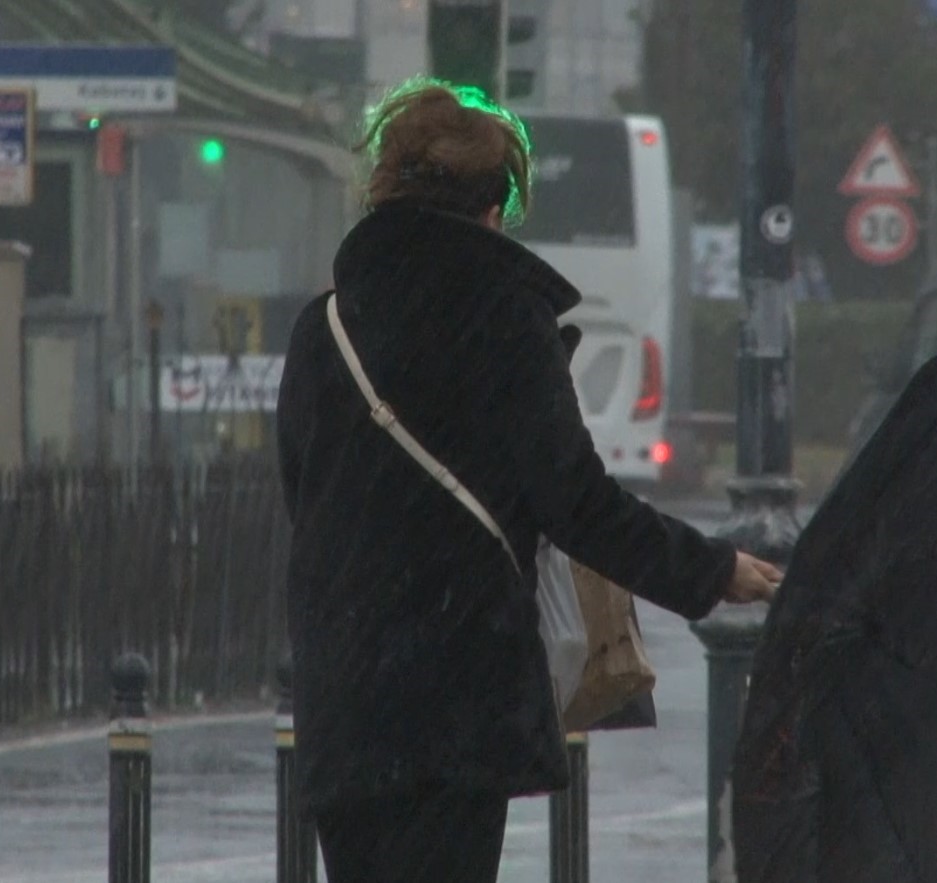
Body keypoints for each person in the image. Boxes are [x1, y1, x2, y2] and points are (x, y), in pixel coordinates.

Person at [276, 78, 783, 883]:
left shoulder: (323, 328)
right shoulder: (504, 319)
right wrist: (713, 568)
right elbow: (576, 501)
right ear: (493, 206)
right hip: (451, 697)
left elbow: (304, 495)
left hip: (347, 698)